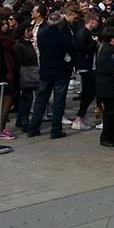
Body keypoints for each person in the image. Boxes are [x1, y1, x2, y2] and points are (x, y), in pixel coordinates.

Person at [28, 11, 75, 139]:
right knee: (58, 101)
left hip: (45, 69)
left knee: (40, 99)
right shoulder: (63, 35)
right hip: (60, 70)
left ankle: (33, 127)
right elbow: (71, 51)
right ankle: (55, 129)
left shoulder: (42, 34)